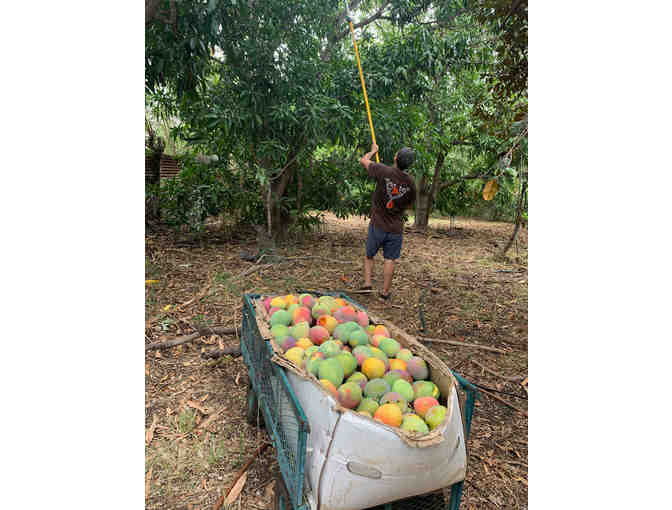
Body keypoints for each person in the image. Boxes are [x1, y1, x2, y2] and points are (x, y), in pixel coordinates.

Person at [359, 143, 416, 300]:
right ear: (409, 164)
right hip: (395, 228)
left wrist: (373, 151)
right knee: (390, 259)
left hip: (378, 224)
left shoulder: (383, 170)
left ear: (396, 158)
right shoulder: (411, 183)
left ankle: (367, 284)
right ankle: (384, 292)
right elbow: (409, 204)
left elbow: (363, 160)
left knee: (369, 255)